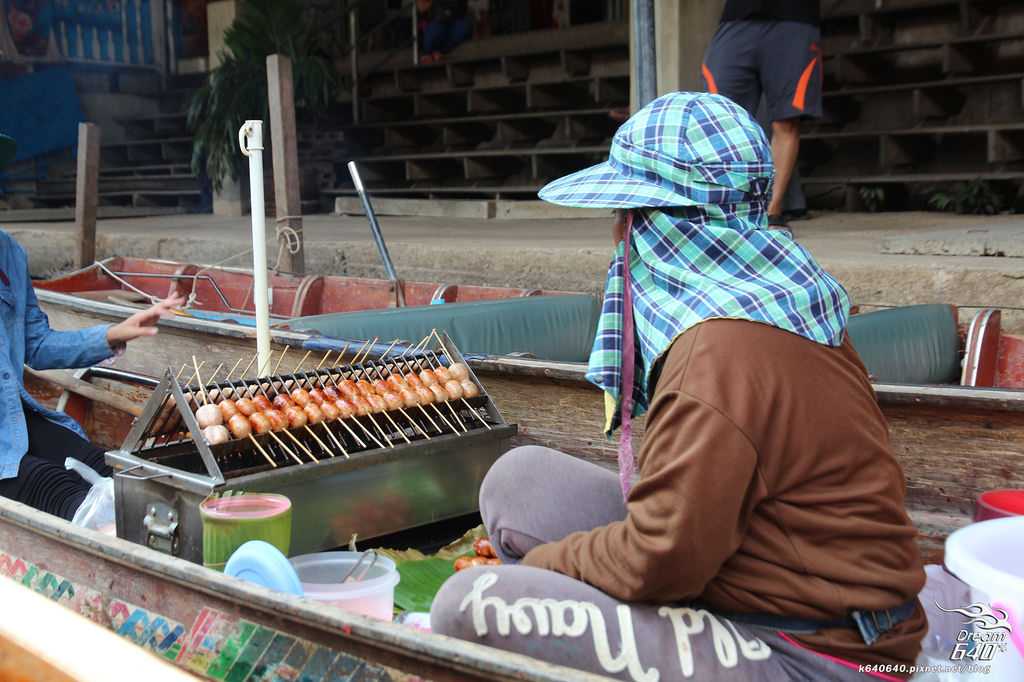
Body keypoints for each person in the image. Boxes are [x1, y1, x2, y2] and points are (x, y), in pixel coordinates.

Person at [429, 93, 927, 681]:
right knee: (521, 478)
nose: (618, 238)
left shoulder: (715, 354)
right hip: (750, 568)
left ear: (663, 228)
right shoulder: (780, 296)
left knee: (467, 605)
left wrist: (544, 568)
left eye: (627, 216)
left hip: (819, 651)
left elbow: (662, 560)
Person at [0, 133, 184, 521]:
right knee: (54, 486)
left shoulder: (9, 253)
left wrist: (116, 332)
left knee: (107, 468)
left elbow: (37, 343)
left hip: (13, 416)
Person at [702, 0, 822, 228]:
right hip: (737, 18)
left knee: (785, 122)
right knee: (719, 118)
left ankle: (771, 212)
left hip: (794, 18)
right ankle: (725, 210)